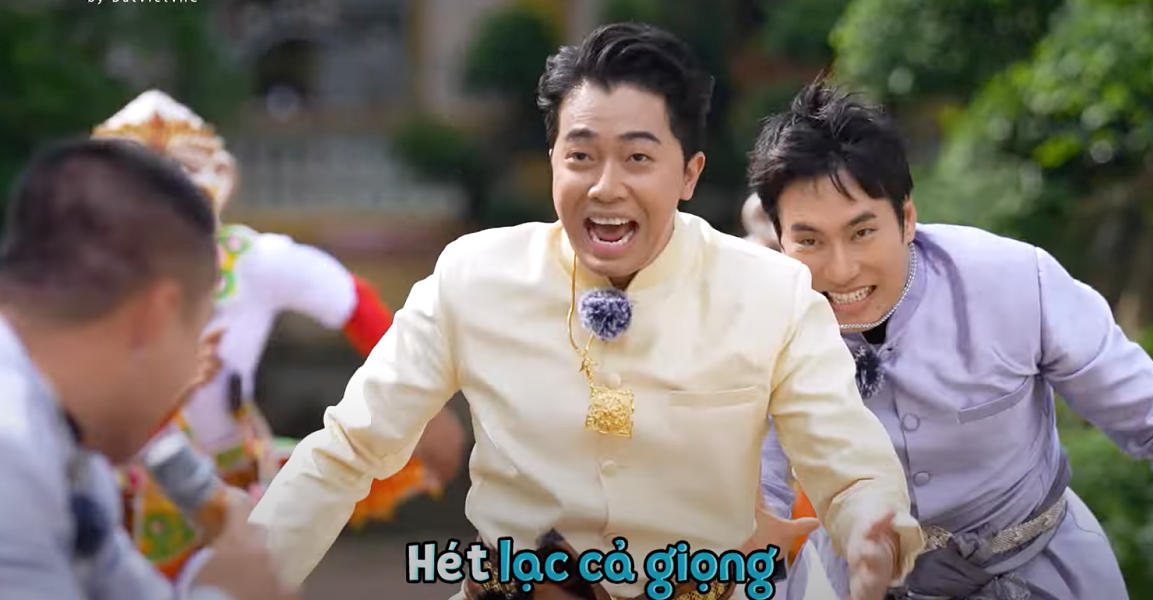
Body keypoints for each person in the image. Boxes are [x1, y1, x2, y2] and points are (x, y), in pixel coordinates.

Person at [249, 22, 926, 600]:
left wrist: (874, 532)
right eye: (581, 156)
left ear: (689, 173)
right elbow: (348, 450)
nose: (605, 186)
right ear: (552, 162)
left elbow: (850, 470)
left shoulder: (772, 293)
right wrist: (236, 584)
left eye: (637, 157)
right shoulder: (472, 277)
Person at [752, 81, 1153, 599]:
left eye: (862, 232)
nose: (841, 269)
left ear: (906, 219)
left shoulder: (1014, 281)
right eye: (809, 240)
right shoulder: (762, 331)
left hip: (1041, 572)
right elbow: (756, 503)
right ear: (779, 240)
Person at [90, 90, 467, 580]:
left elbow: (352, 301)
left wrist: (423, 406)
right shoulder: (80, 276)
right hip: (115, 487)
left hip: (231, 482)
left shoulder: (252, 261)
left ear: (221, 177)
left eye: (180, 169)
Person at [0, 138, 285, 600]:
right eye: (200, 332)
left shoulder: (77, 453)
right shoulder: (11, 447)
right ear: (155, 316)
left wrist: (227, 575)